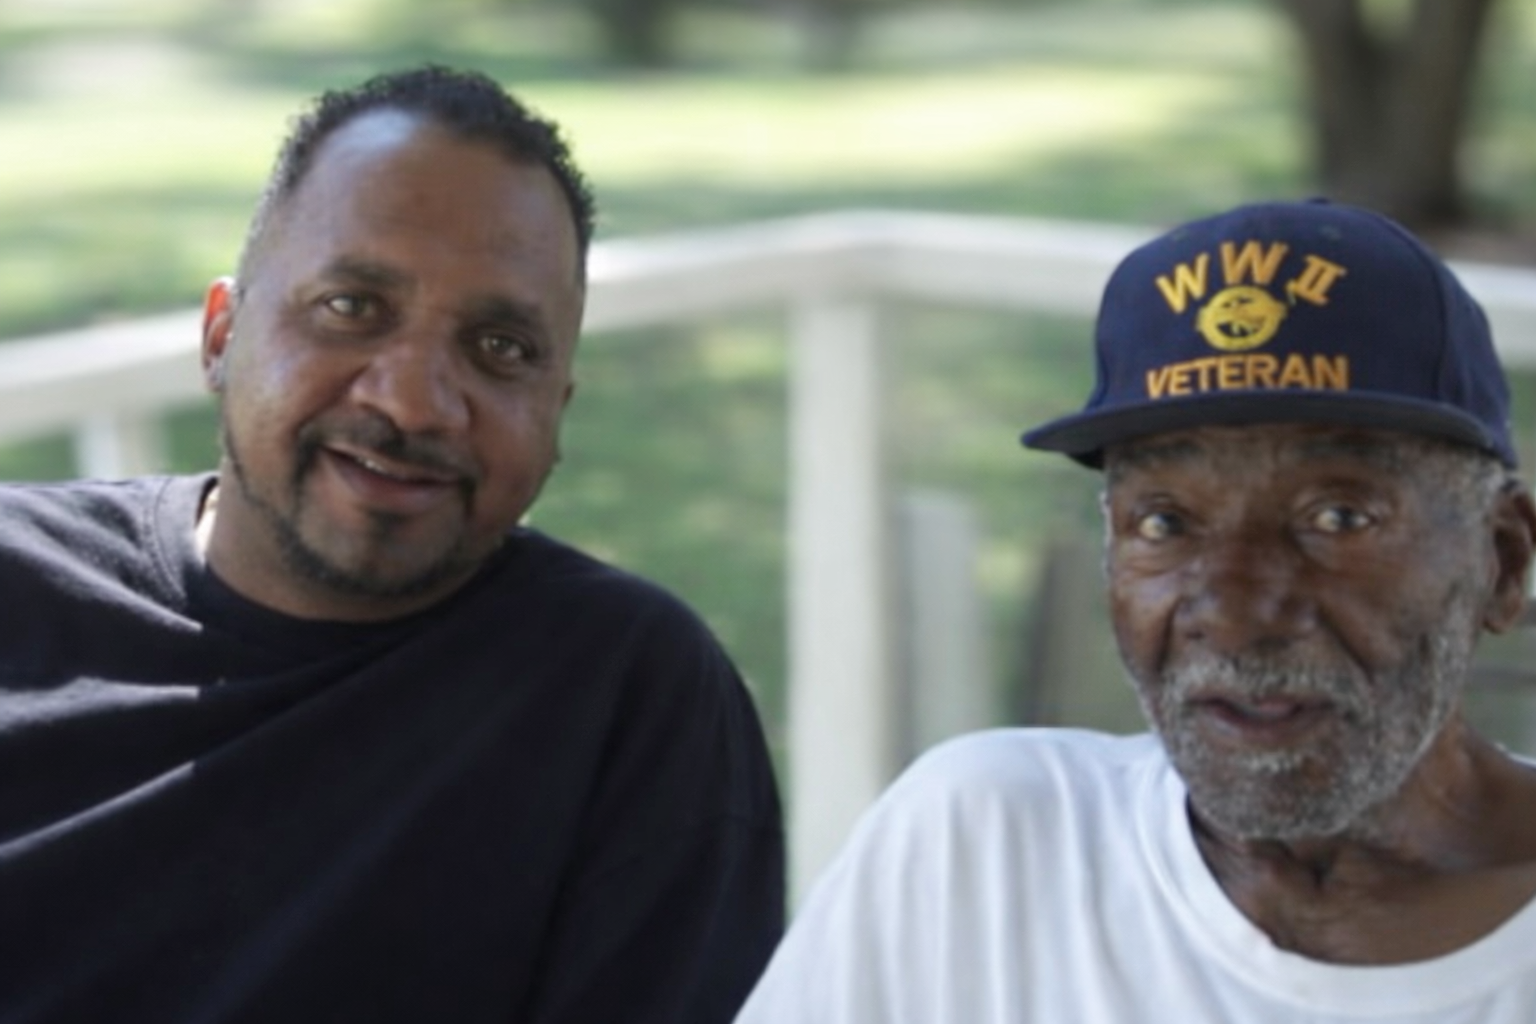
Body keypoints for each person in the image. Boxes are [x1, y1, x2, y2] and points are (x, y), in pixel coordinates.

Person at [0, 66, 783, 1022]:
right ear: (222, 335)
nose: (412, 401)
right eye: (351, 307)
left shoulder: (619, 694)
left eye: (500, 348)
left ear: (557, 409)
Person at [735, 198, 1536, 1022]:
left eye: (1337, 518)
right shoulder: (984, 847)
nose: (1234, 613)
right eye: (1165, 522)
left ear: (1502, 561)